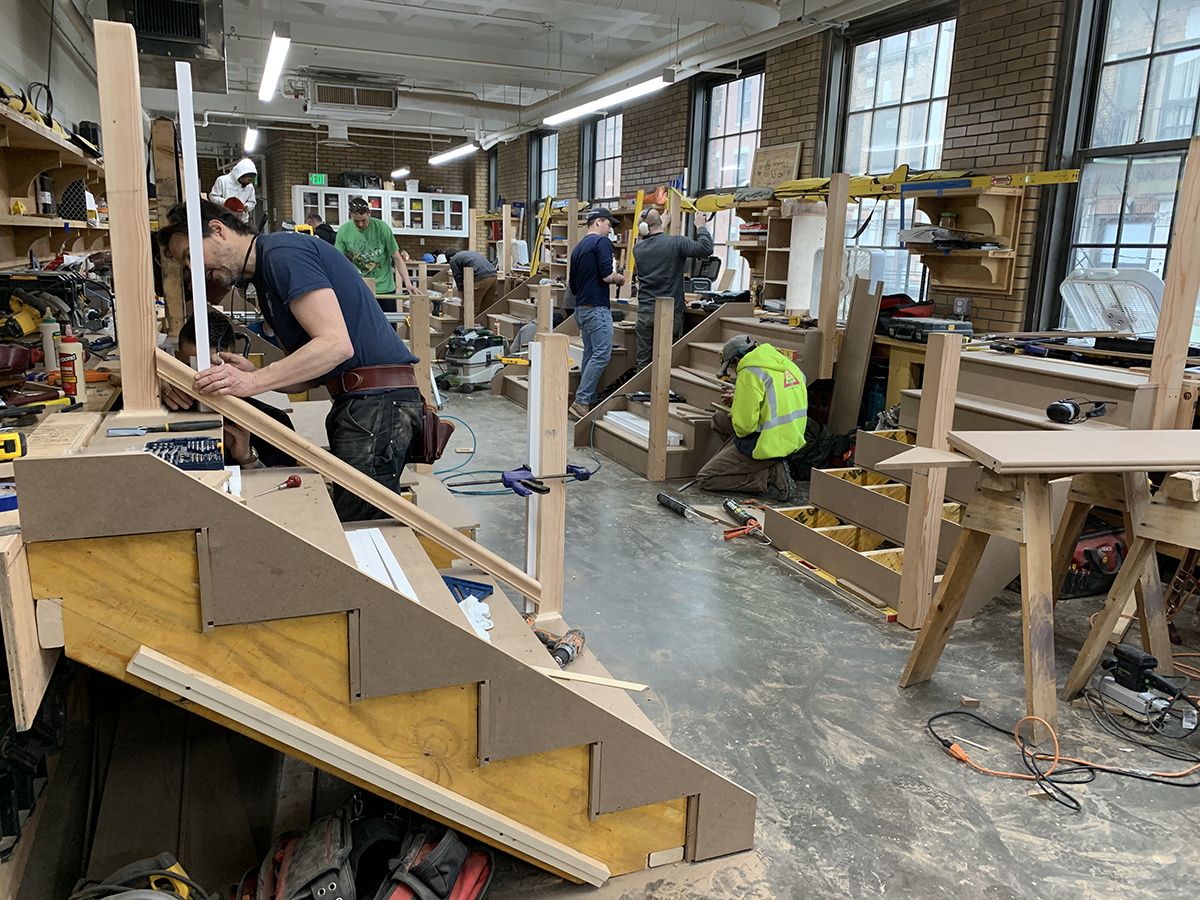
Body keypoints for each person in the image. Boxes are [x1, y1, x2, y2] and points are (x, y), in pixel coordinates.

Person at [158, 199, 425, 522]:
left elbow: (336, 345)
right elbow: (311, 371)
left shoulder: (283, 253)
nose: (193, 272)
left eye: (190, 257)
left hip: (378, 402)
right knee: (357, 521)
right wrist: (254, 374)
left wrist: (255, 381)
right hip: (361, 403)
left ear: (218, 230)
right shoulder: (265, 277)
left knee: (362, 527)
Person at [173, 310, 297, 470]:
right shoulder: (163, 416)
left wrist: (246, 458)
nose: (205, 380)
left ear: (233, 363)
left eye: (215, 369)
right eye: (192, 368)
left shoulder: (272, 423)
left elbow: (289, 489)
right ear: (176, 361)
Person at [696, 335, 807, 502]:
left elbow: (744, 427)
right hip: (791, 437)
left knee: (705, 478)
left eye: (732, 367)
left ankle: (767, 475)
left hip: (767, 444)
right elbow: (778, 398)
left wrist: (739, 409)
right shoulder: (786, 365)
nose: (734, 371)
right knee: (719, 419)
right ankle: (758, 465)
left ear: (736, 359)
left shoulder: (749, 372)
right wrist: (740, 398)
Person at [633, 209, 714, 370]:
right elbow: (706, 248)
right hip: (669, 314)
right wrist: (700, 226)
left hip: (645, 313)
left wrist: (661, 224)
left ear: (643, 228)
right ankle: (663, 395)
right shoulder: (677, 243)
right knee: (666, 360)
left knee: (643, 362)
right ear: (660, 224)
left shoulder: (638, 248)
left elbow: (656, 241)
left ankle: (642, 393)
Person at [568, 207, 626, 419]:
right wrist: (620, 278)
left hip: (581, 309)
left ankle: (588, 399)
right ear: (599, 222)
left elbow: (572, 286)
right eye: (609, 224)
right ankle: (582, 400)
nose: (610, 230)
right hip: (597, 308)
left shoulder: (578, 247)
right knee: (601, 354)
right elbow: (606, 276)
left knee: (590, 354)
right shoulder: (601, 243)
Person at [334, 197, 421, 310]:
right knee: (362, 326)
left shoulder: (382, 228)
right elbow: (337, 260)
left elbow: (397, 258)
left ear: (369, 213)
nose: (360, 224)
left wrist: (408, 283)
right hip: (359, 288)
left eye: (364, 220)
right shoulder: (344, 231)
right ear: (350, 215)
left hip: (385, 290)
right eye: (356, 221)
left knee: (388, 326)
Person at [208, 158, 257, 224]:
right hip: (224, 219)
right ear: (240, 176)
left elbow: (252, 202)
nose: (250, 182)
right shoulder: (222, 180)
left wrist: (246, 205)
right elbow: (213, 197)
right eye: (249, 180)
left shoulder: (250, 187)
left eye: (252, 180)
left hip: (242, 221)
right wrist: (227, 203)